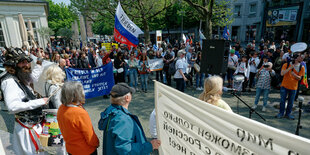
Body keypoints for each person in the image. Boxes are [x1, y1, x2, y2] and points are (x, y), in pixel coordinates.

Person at [1, 47, 48, 154]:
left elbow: (34, 77)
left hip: (32, 127)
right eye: (22, 62)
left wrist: (39, 62)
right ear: (13, 65)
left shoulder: (20, 76)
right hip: (25, 130)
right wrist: (40, 102)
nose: (26, 65)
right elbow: (12, 106)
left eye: (27, 62)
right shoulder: (9, 81)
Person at [98, 83, 161, 155]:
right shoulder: (122, 119)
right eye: (131, 93)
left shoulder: (110, 112)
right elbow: (125, 150)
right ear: (127, 98)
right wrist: (149, 146)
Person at [57, 81, 99, 155]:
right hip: (85, 150)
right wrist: (96, 143)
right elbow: (89, 136)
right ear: (76, 95)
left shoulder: (61, 108)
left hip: (71, 149)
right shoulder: (80, 113)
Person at [276, 53, 305, 120]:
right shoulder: (286, 65)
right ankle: (281, 113)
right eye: (300, 56)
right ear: (296, 58)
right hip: (284, 86)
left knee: (291, 102)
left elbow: (299, 78)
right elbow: (282, 73)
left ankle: (288, 114)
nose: (302, 58)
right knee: (282, 101)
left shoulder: (302, 67)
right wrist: (290, 68)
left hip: (293, 87)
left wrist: (294, 74)